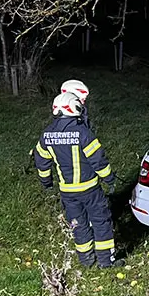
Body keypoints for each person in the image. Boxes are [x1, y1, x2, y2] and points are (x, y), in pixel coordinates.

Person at [34, 92, 123, 268]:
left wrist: (46, 182)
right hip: (90, 190)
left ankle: (86, 261)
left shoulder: (46, 135)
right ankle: (106, 262)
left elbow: (41, 161)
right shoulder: (83, 133)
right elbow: (98, 160)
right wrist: (109, 178)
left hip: (67, 192)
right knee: (101, 222)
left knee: (78, 224)